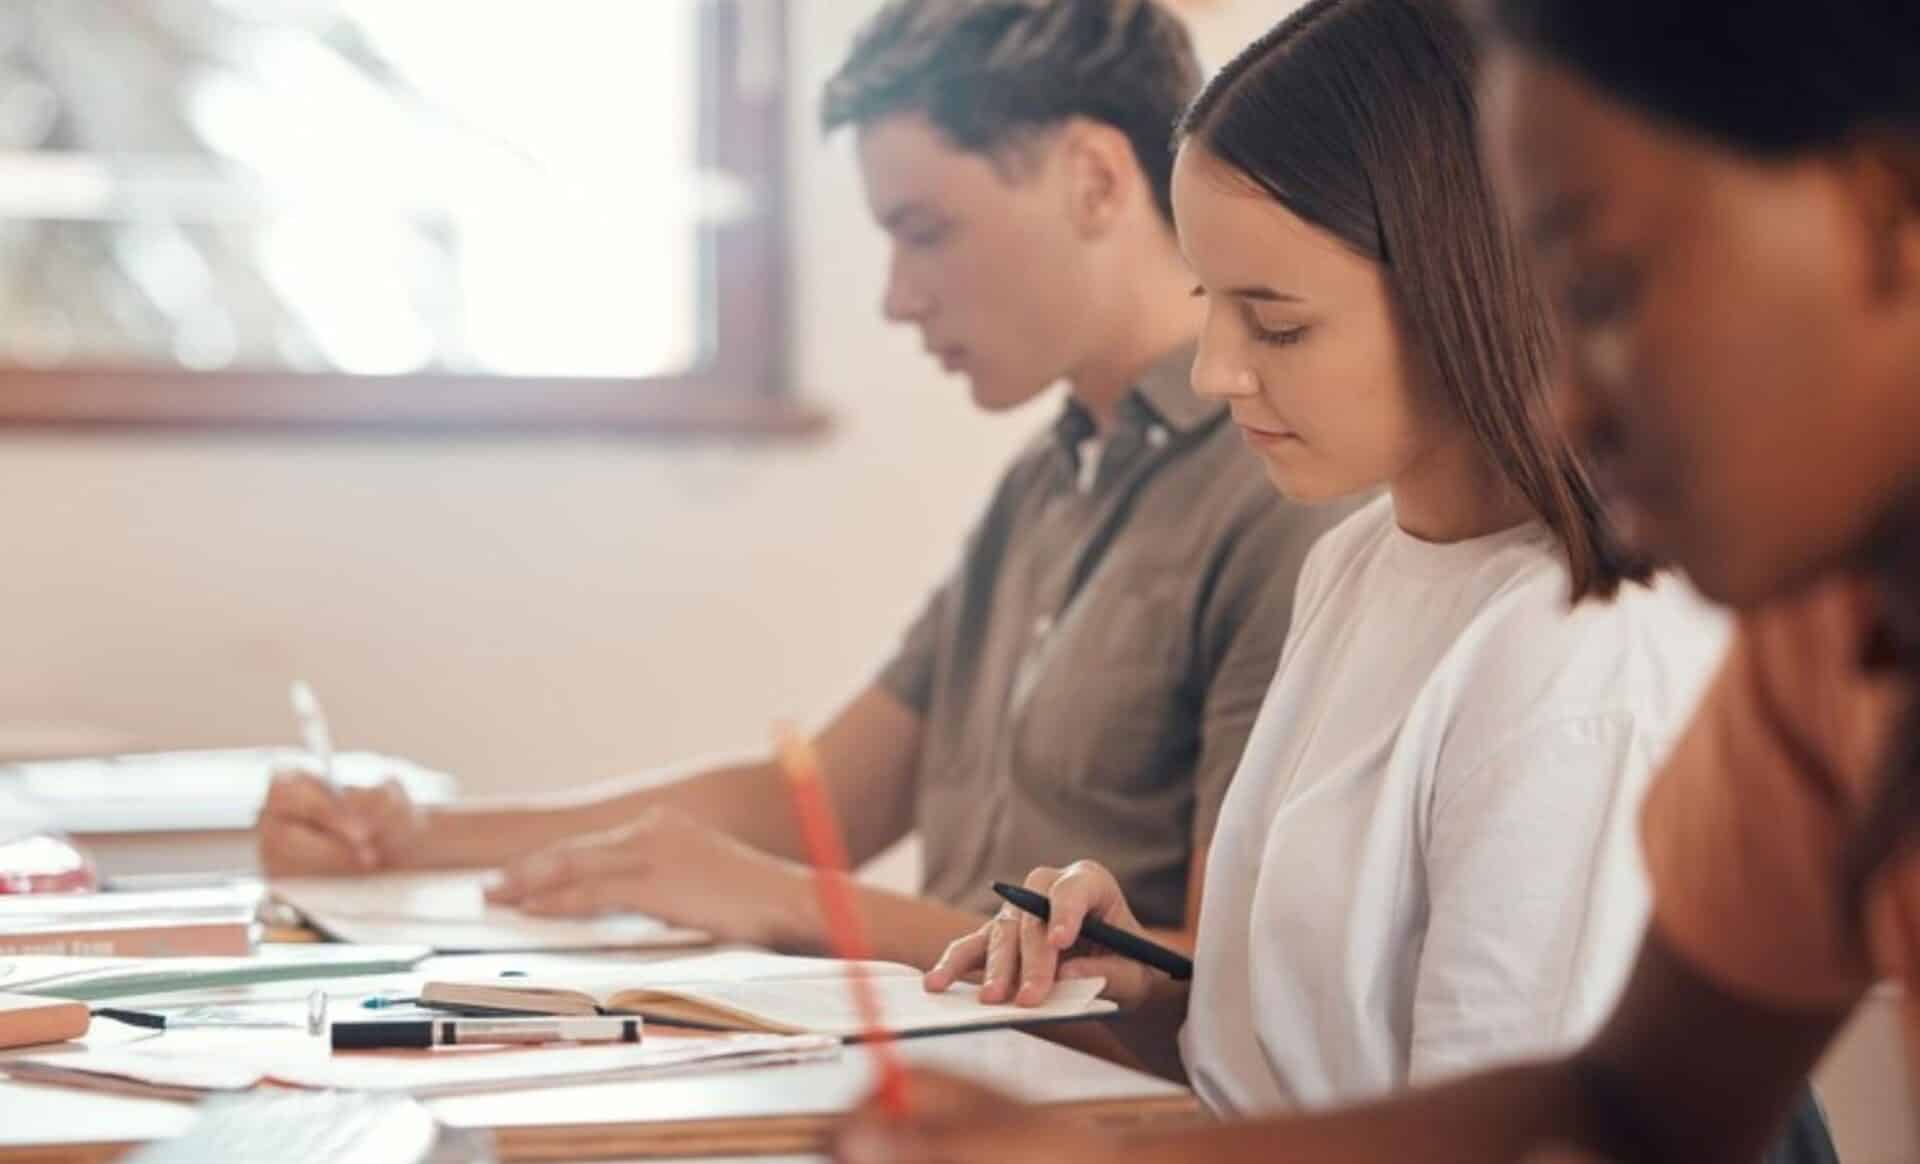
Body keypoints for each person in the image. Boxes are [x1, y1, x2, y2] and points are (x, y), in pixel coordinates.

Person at [830, 0, 1913, 1160]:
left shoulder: (1583, 650)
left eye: (1604, 294)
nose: (1572, 401)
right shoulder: (1818, 654)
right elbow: (1622, 1108)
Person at [254, 0, 1356, 970]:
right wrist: (413, 837)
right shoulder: (1048, 479)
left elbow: (1217, 987)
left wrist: (782, 904)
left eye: (926, 233)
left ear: (1095, 180)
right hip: (948, 1068)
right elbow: (821, 802)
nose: (897, 298)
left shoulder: (1279, 497)